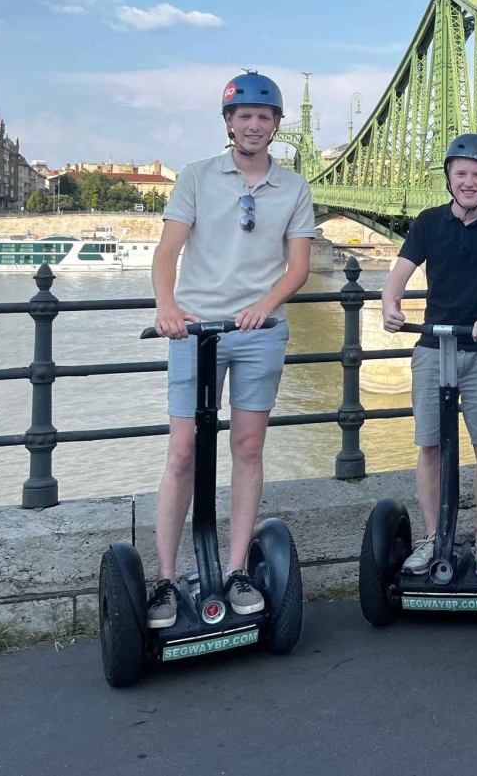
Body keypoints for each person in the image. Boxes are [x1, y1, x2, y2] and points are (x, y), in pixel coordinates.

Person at [147, 70, 318, 628]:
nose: (253, 125)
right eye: (243, 116)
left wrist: (264, 306)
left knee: (247, 449)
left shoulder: (294, 187)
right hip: (197, 330)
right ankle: (166, 579)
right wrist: (167, 306)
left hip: (259, 332)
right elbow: (168, 249)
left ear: (276, 126)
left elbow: (298, 267)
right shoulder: (196, 177)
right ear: (228, 123)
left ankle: (238, 567)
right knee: (181, 454)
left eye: (263, 117)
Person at [381, 133, 477, 575]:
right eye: (461, 173)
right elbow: (401, 271)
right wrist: (391, 303)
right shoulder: (428, 222)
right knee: (428, 446)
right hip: (432, 347)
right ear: (449, 177)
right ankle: (431, 536)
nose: (468, 182)